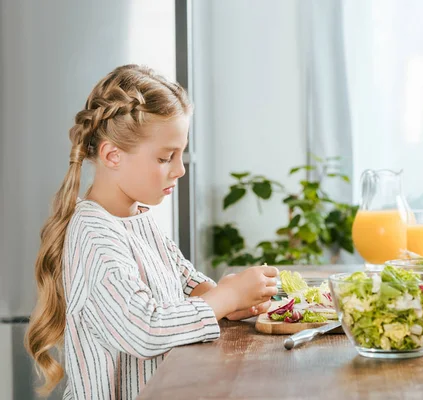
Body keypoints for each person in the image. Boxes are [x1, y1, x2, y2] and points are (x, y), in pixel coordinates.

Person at [24, 64, 279, 399]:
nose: (180, 169)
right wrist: (226, 297)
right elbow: (144, 328)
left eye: (181, 153)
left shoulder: (138, 219)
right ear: (112, 155)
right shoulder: (94, 234)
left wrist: (228, 298)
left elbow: (184, 281)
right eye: (165, 158)